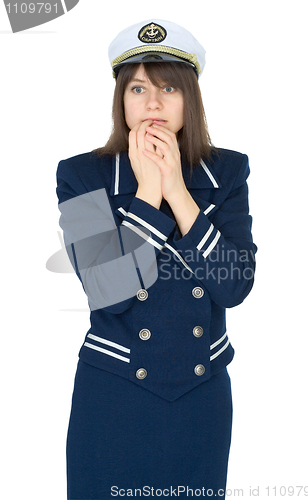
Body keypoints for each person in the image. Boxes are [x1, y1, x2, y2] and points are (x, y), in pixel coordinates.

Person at [56, 19, 257, 500]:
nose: (152, 103)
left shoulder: (227, 171)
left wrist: (177, 192)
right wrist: (148, 192)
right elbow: (109, 292)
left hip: (199, 396)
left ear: (190, 98)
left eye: (168, 87)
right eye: (138, 88)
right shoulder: (82, 175)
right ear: (120, 100)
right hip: (112, 396)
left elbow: (235, 285)